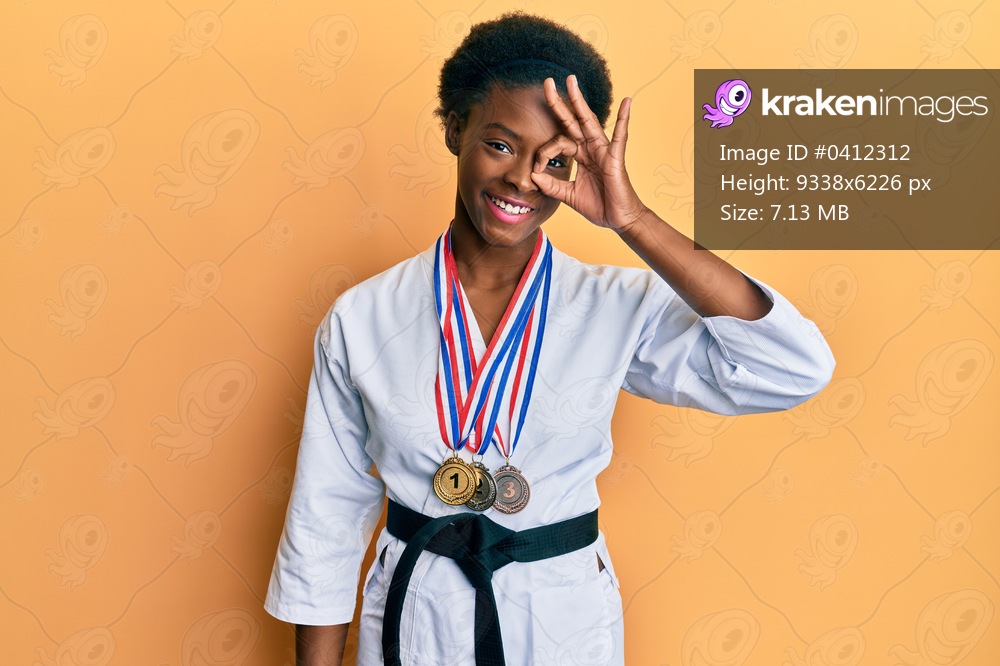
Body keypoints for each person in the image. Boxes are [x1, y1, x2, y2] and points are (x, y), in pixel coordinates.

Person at [265, 12, 835, 666]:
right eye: (501, 144)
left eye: (554, 160)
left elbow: (792, 368)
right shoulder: (362, 317)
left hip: (562, 613)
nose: (522, 180)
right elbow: (324, 517)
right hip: (414, 609)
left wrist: (633, 220)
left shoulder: (614, 306)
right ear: (455, 128)